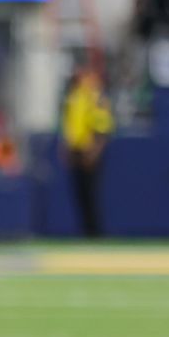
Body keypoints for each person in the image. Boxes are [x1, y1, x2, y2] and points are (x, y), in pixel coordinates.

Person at [61, 65, 113, 237]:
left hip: (89, 150)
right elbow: (70, 125)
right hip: (76, 150)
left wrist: (95, 151)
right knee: (79, 195)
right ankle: (85, 232)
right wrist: (66, 147)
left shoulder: (94, 95)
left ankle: (95, 233)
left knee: (91, 194)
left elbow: (102, 127)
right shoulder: (74, 95)